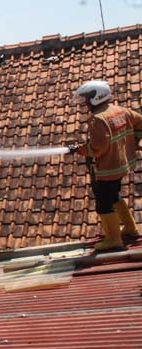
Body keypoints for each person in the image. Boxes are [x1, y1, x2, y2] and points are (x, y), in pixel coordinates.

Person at [70, 80, 142, 250]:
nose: (86, 103)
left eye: (87, 99)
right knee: (113, 194)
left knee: (103, 201)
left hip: (109, 167)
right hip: (123, 163)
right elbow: (140, 123)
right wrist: (134, 139)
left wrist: (82, 150)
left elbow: (98, 147)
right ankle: (130, 229)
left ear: (96, 97)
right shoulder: (120, 110)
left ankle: (113, 238)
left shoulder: (97, 119)